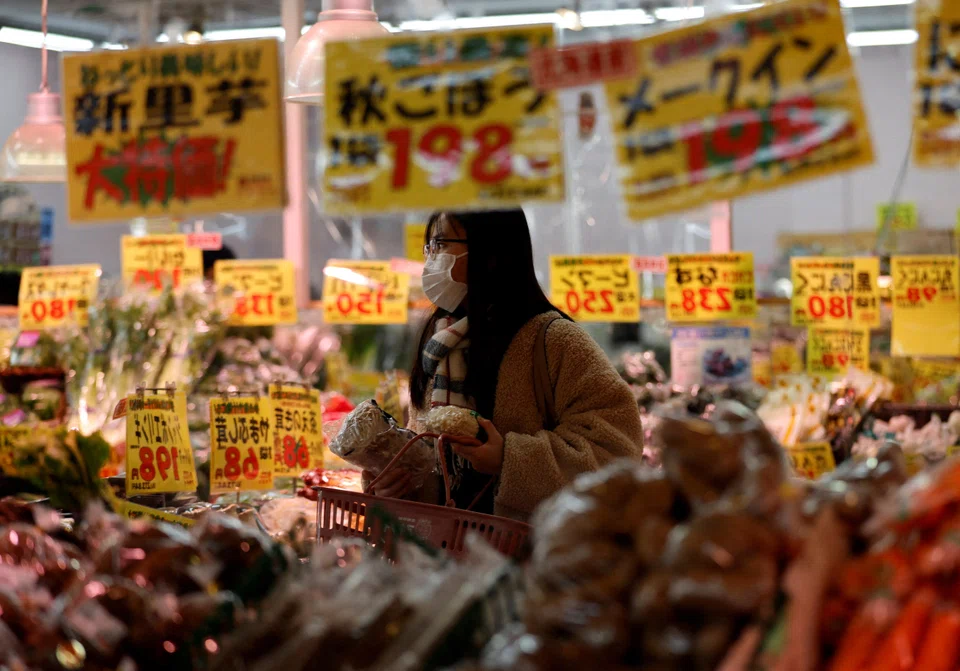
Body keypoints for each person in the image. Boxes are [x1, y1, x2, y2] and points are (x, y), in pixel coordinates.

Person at [369, 209, 644, 521]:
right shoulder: (439, 341)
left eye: (442, 244)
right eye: (429, 247)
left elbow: (618, 450)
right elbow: (434, 462)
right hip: (445, 555)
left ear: (491, 252)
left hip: (533, 555)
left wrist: (509, 459)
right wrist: (398, 484)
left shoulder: (554, 339)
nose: (431, 259)